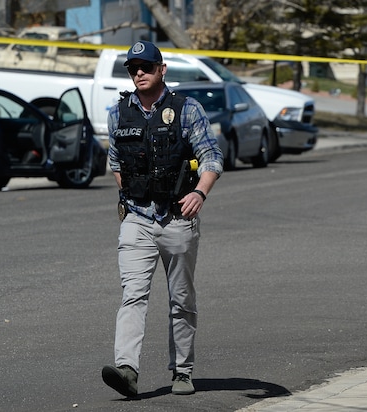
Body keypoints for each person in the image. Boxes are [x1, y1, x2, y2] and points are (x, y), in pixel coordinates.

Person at [102, 40, 224, 397]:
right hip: (137, 218)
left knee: (181, 298)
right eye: (132, 68)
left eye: (146, 66)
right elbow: (115, 162)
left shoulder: (186, 109)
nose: (138, 72)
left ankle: (182, 371)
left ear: (161, 69)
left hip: (177, 218)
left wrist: (199, 193)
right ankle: (127, 369)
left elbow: (212, 156)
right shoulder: (117, 112)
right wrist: (132, 195)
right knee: (133, 294)